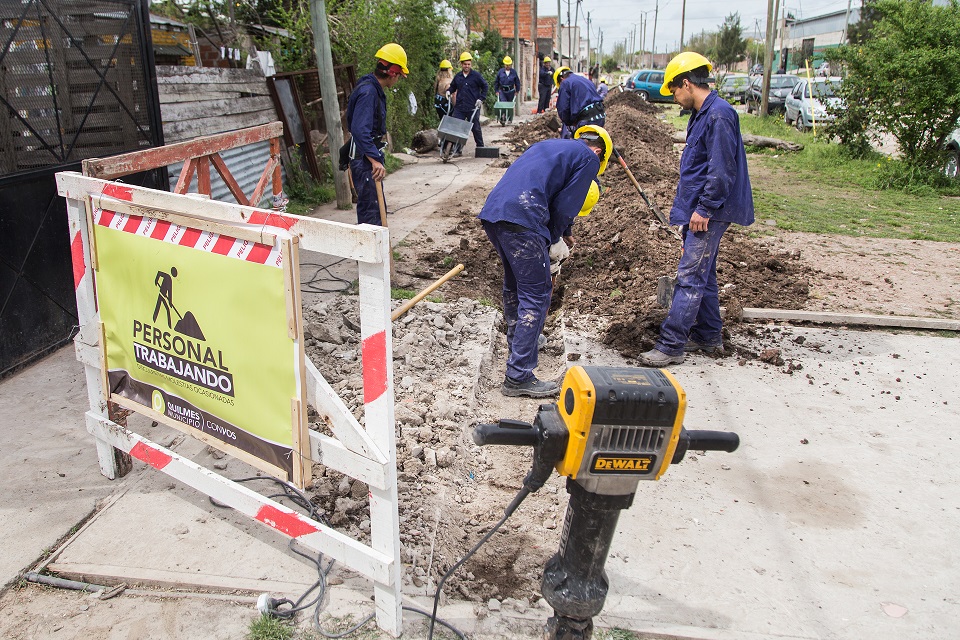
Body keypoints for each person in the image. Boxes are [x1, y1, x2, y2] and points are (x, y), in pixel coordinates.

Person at [638, 52, 754, 367]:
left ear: (687, 84)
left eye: (675, 92)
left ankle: (671, 344)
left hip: (711, 210)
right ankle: (708, 335)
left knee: (689, 275)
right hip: (702, 207)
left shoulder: (718, 116)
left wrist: (703, 209)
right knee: (705, 273)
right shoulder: (703, 113)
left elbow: (721, 170)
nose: (675, 99)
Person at [478, 125, 612, 398]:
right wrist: (552, 241)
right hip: (525, 219)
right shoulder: (589, 159)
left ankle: (521, 345)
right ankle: (519, 376)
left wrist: (565, 232)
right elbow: (565, 206)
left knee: (515, 287)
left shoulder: (550, 147)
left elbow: (551, 192)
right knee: (537, 294)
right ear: (598, 152)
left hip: (496, 214)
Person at [345, 43, 408, 226]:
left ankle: (377, 254)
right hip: (364, 161)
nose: (398, 80)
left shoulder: (370, 87)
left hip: (365, 157)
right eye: (400, 76)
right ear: (393, 73)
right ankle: (371, 255)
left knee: (375, 212)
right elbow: (359, 129)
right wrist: (374, 159)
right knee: (371, 217)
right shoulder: (368, 92)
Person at [447, 51, 488, 155]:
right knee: (457, 128)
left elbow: (485, 86)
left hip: (473, 107)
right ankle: (456, 149)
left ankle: (480, 148)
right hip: (460, 106)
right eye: (465, 64)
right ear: (461, 64)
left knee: (476, 128)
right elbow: (453, 86)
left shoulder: (476, 76)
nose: (467, 66)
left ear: (471, 64)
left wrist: (481, 98)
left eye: (468, 64)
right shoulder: (458, 76)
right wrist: (449, 91)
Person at [554, 66, 605, 138]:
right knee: (593, 140)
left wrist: (567, 124)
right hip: (600, 116)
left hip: (586, 120)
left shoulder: (565, 83)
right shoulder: (585, 80)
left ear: (561, 79)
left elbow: (563, 108)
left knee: (583, 144)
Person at [495, 55, 522, 122]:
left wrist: (517, 90)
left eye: (509, 65)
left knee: (510, 105)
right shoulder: (500, 72)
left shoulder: (513, 72)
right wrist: (496, 90)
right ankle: (503, 117)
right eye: (506, 65)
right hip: (502, 91)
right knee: (503, 104)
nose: (507, 66)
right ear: (504, 64)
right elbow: (496, 82)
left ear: (511, 65)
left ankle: (510, 118)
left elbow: (517, 82)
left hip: (511, 91)